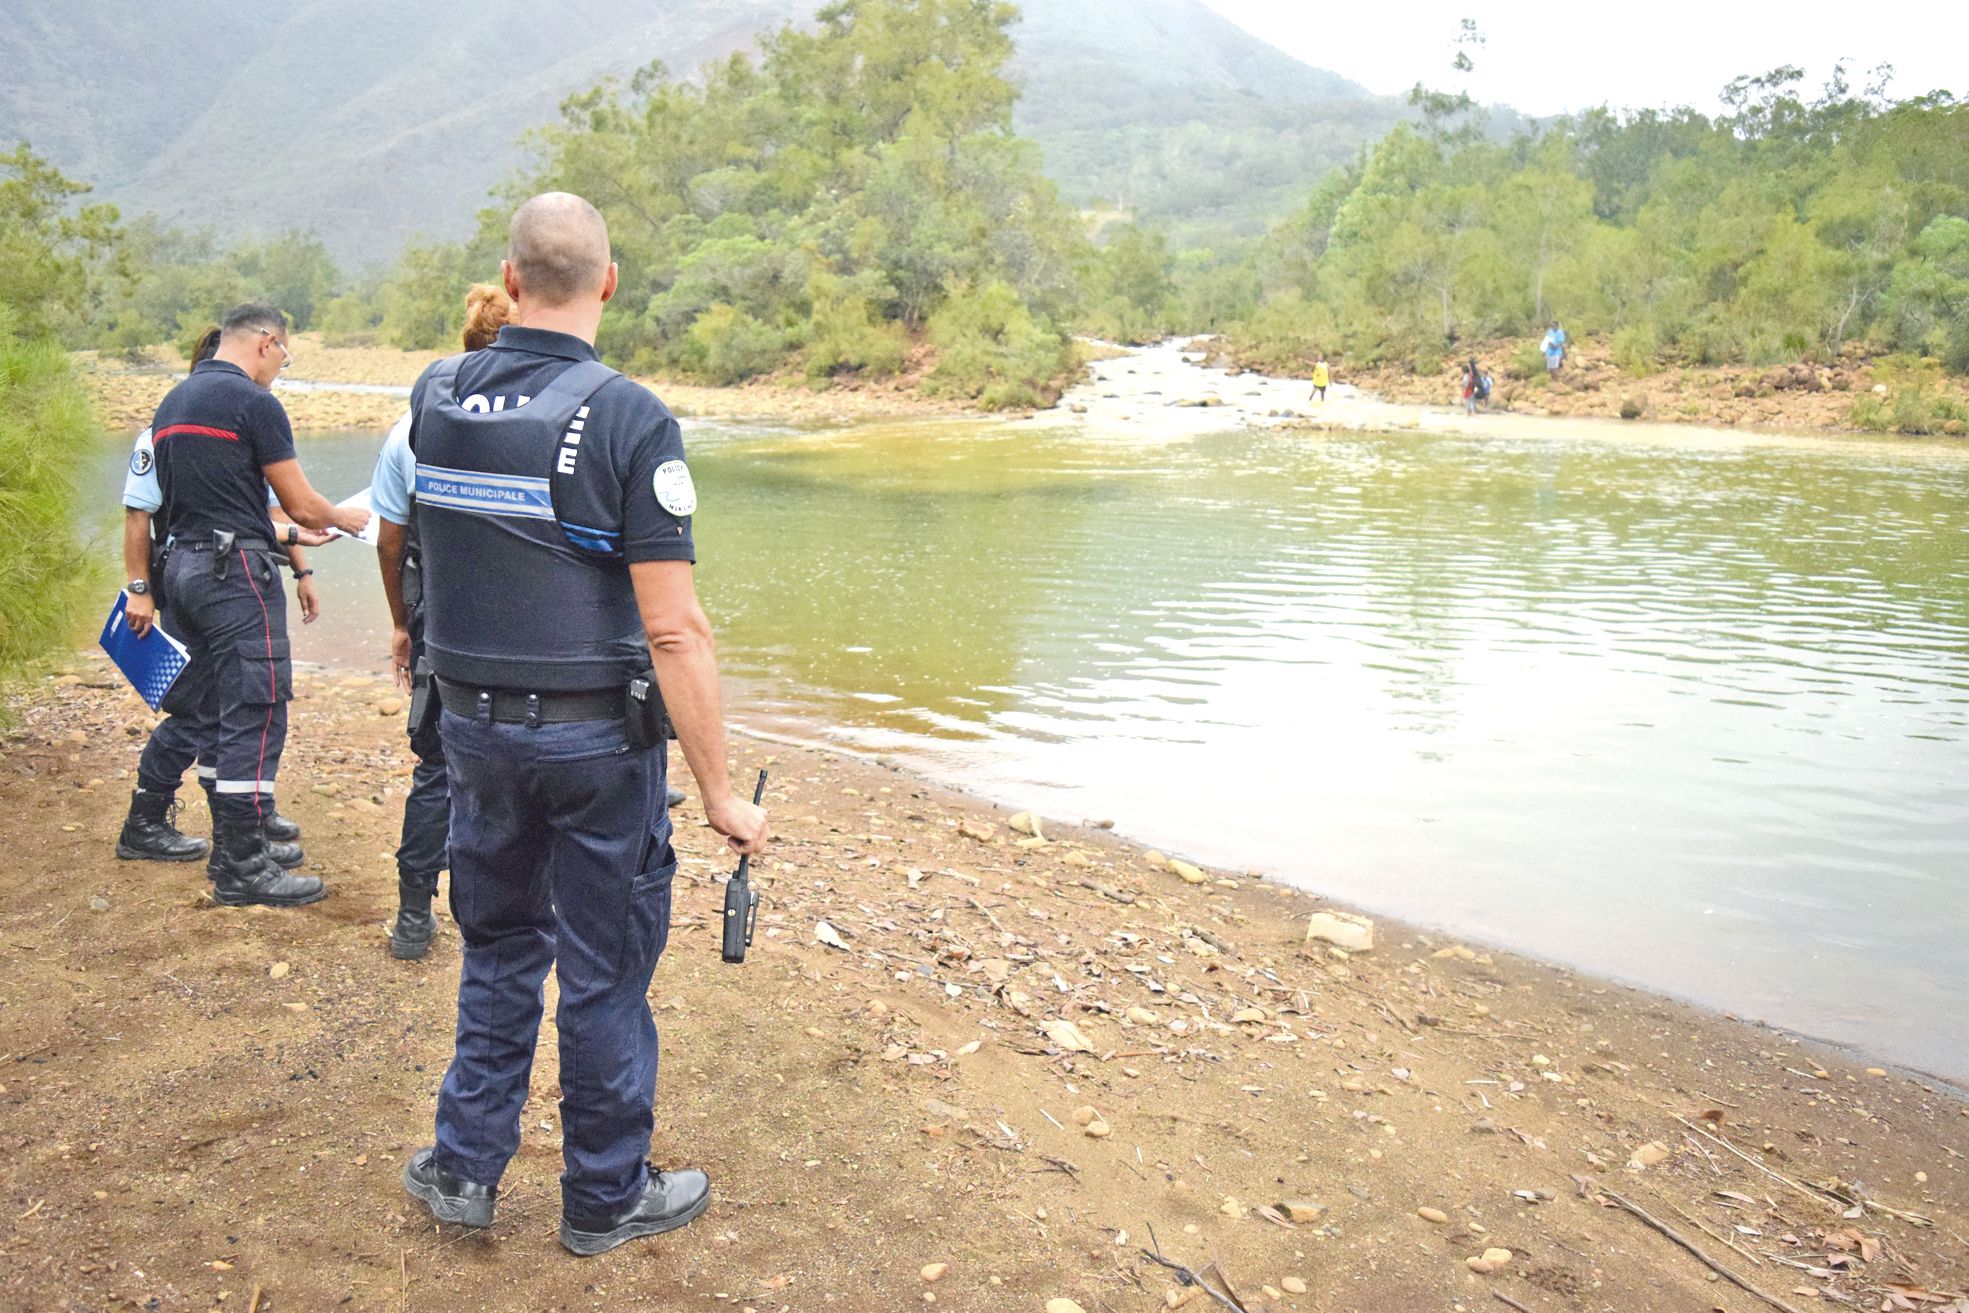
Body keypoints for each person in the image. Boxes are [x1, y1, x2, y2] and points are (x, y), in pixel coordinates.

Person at [397, 193, 768, 1256]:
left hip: (470, 735)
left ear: (509, 281)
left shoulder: (434, 394)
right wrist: (719, 791)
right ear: (608, 282)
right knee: (604, 968)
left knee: (502, 944)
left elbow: (424, 546)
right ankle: (604, 1194)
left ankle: (464, 1167)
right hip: (594, 748)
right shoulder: (628, 417)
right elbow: (677, 630)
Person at [140, 303, 370, 908]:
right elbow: (299, 503)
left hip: (183, 571)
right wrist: (347, 518)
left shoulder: (174, 402)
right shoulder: (255, 404)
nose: (280, 371)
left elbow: (208, 505)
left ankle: (234, 847)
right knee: (257, 707)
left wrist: (294, 540)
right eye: (284, 358)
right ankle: (241, 867)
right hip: (234, 575)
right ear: (266, 343)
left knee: (215, 707)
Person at [116, 325, 321, 873]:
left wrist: (302, 564)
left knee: (223, 706)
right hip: (199, 575)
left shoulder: (229, 427)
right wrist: (137, 590)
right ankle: (148, 820)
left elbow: (262, 514)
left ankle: (240, 824)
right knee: (206, 708)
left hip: (209, 569)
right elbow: (139, 516)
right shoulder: (164, 432)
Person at [370, 283, 516, 960]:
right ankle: (510, 908)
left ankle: (411, 914)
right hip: (526, 620)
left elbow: (389, 541)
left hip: (443, 619)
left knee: (436, 765)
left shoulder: (414, 425)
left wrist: (402, 622)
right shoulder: (545, 417)